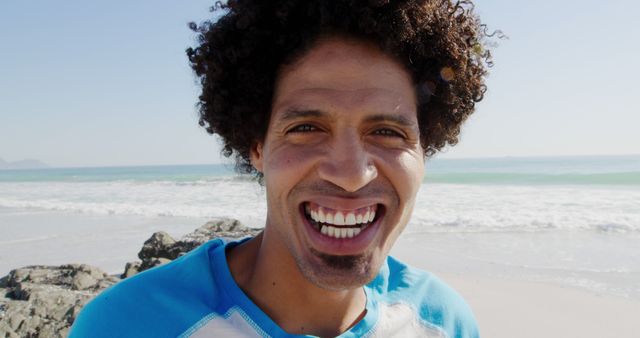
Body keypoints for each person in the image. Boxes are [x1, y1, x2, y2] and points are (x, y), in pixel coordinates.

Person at [70, 0, 491, 337]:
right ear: (256, 144)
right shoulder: (126, 325)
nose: (350, 173)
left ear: (424, 149)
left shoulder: (444, 324)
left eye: (387, 131)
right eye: (306, 127)